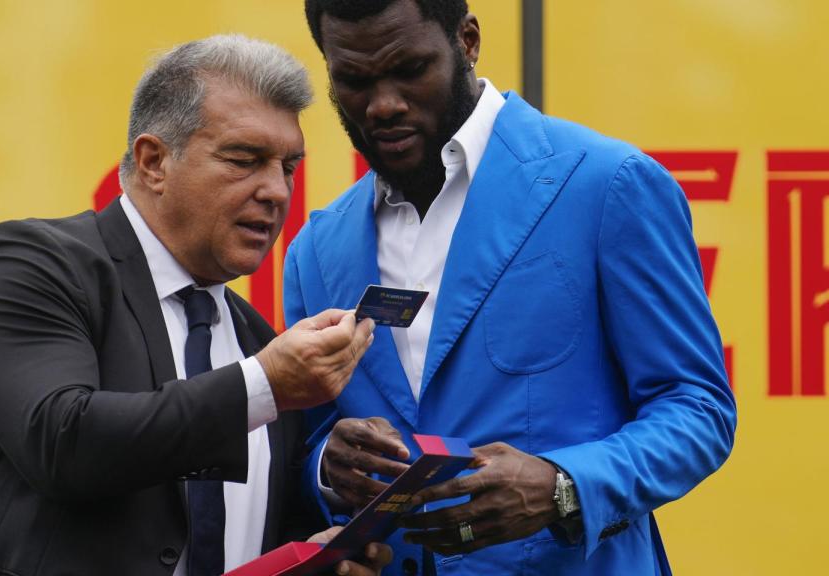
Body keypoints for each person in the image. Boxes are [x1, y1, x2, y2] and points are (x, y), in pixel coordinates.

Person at [0, 35, 390, 576]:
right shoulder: (31, 264)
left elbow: (244, 536)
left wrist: (321, 553)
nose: (276, 191)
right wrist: (264, 385)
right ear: (153, 162)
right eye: (245, 160)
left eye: (288, 167)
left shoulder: (255, 339)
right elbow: (63, 441)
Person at [283, 1, 737, 574]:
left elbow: (699, 409)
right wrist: (327, 465)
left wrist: (562, 487)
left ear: (467, 41)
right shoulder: (314, 251)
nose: (384, 105)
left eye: (410, 69)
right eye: (354, 80)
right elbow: (306, 440)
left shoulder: (608, 184)